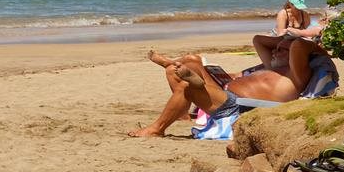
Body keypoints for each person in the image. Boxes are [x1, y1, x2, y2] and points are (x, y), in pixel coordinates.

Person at [129, 49, 305, 140]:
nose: (275, 50)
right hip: (227, 89)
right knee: (188, 63)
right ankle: (182, 104)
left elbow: (301, 46)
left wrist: (295, 34)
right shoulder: (270, 67)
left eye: (281, 49)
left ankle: (157, 129)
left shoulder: (294, 74)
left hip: (237, 105)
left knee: (186, 86)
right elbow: (259, 41)